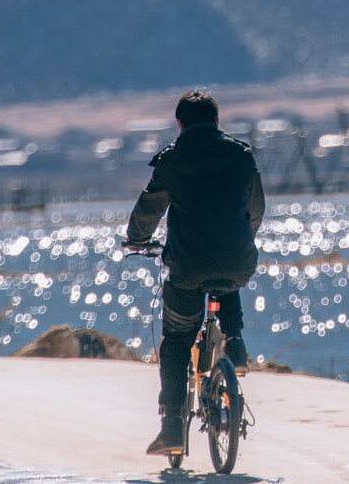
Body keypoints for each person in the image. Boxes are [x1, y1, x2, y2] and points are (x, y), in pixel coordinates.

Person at [124, 90, 266, 456]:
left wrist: (136, 239)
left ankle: (172, 425)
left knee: (175, 341)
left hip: (187, 267)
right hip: (237, 260)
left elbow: (149, 208)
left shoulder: (172, 160)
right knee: (226, 276)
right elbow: (256, 207)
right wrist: (242, 239)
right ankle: (235, 344)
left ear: (180, 123)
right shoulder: (241, 155)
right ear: (217, 121)